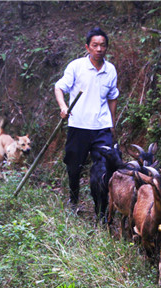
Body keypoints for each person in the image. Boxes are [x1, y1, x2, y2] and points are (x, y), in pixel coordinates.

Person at [54, 27, 119, 210]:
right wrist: (63, 107)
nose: (99, 49)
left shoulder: (110, 70)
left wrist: (112, 123)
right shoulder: (76, 67)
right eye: (95, 45)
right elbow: (59, 88)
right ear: (87, 47)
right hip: (79, 126)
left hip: (102, 127)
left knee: (104, 168)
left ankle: (101, 208)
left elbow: (113, 97)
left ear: (107, 48)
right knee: (74, 167)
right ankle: (74, 201)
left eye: (103, 45)